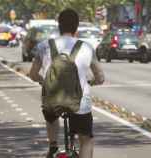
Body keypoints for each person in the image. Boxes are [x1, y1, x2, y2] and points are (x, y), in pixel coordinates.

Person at [29, 9, 104, 158]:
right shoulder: (86, 47)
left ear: (59, 25)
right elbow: (100, 77)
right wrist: (92, 82)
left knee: (51, 115)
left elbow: (32, 74)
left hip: (52, 100)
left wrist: (43, 81)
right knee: (86, 140)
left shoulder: (45, 46)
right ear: (76, 27)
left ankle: (53, 146)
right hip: (80, 103)